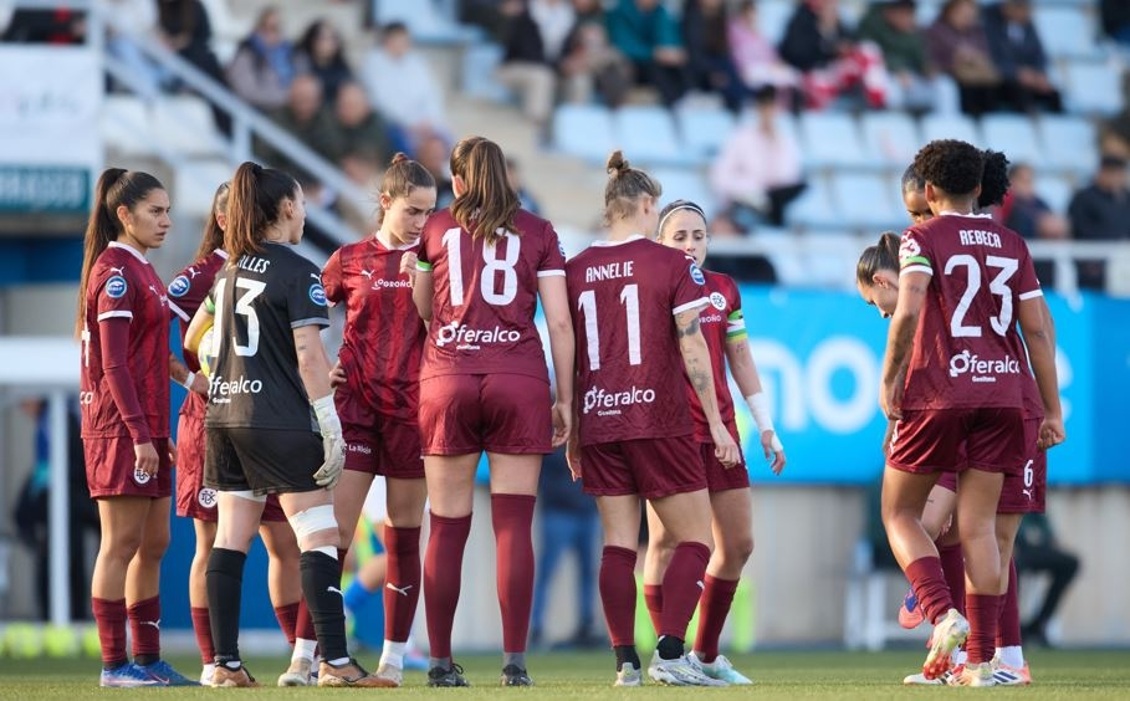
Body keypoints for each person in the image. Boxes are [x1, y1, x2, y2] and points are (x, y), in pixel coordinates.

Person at [183, 162, 379, 688]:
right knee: (320, 536)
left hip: (225, 418)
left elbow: (195, 337)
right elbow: (310, 357)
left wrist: (226, 372)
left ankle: (223, 664)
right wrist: (329, 423)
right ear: (288, 207)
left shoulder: (227, 272)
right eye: (303, 204)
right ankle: (335, 662)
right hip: (279, 421)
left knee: (231, 539)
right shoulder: (298, 270)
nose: (306, 214)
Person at [878, 139, 1063, 686]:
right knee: (980, 528)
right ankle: (981, 662)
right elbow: (1037, 331)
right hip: (1005, 394)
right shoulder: (1013, 243)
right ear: (979, 187)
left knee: (900, 513)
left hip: (941, 390)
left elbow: (908, 307)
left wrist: (890, 378)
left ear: (928, 190)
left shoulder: (921, 237)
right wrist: (1051, 408)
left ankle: (942, 613)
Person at [564, 151, 740, 687]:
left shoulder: (576, 269)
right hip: (658, 418)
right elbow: (692, 345)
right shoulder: (671, 265)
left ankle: (626, 664)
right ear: (645, 205)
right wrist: (715, 421)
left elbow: (568, 349)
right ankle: (670, 651)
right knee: (697, 540)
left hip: (599, 418)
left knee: (619, 544)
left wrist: (572, 426)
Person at [411, 136, 575, 687]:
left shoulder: (436, 226)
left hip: (447, 376)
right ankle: (514, 663)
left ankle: (439, 663)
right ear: (505, 176)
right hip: (518, 377)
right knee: (513, 525)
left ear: (456, 181)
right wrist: (565, 398)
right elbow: (559, 323)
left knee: (446, 527)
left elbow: (422, 305)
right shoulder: (539, 231)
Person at [165, 182, 304, 687]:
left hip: (270, 418)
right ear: (224, 220)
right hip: (213, 423)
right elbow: (152, 335)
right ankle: (215, 661)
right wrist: (192, 380)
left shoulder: (276, 267)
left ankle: (301, 658)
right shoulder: (203, 274)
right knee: (213, 541)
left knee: (285, 542)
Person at [646, 199, 786, 685]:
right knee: (667, 541)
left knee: (739, 544)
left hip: (722, 429)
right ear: (660, 242)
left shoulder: (724, 289)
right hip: (670, 430)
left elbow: (740, 358)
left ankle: (704, 654)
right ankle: (669, 653)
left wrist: (765, 424)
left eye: (698, 236)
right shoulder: (652, 288)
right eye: (679, 236)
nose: (690, 245)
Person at [316, 153, 438, 687]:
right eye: (413, 211)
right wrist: (320, 368)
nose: (421, 222)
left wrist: (425, 282)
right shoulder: (348, 259)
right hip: (357, 411)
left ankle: (392, 661)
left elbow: (448, 326)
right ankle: (319, 656)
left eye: (428, 213)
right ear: (386, 202)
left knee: (403, 538)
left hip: (414, 413)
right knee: (336, 534)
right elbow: (302, 320)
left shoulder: (436, 260)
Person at [76, 168, 195, 687]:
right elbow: (114, 364)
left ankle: (147, 660)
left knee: (155, 543)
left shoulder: (142, 268)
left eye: (168, 211)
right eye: (155, 211)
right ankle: (113, 665)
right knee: (120, 544)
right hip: (117, 431)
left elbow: (149, 357)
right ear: (124, 214)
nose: (166, 221)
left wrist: (161, 425)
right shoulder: (115, 273)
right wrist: (139, 433)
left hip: (145, 427)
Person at [529, 446, 601, 650]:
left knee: (589, 572)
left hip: (587, 511)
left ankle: (586, 625)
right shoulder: (552, 436)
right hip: (558, 511)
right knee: (546, 572)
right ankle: (535, 628)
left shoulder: (587, 434)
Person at [710, 85, 806, 230]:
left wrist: (774, 145)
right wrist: (753, 188)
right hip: (747, 201)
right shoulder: (740, 138)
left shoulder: (786, 141)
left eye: (773, 107)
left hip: (777, 201)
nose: (769, 113)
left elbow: (791, 176)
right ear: (758, 108)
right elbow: (720, 177)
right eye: (765, 107)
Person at [778, 0, 889, 110]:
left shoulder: (838, 21)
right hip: (810, 76)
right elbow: (796, 54)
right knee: (818, 86)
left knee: (869, 50)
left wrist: (842, 46)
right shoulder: (801, 20)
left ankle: (877, 102)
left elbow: (851, 42)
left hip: (836, 73)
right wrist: (826, 43)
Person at [857, 0, 960, 114]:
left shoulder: (914, 33)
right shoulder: (872, 27)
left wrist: (928, 70)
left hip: (911, 79)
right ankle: (891, 121)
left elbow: (922, 60)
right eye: (902, 13)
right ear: (889, 13)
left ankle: (946, 123)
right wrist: (897, 70)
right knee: (893, 87)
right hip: (885, 77)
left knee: (945, 85)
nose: (907, 17)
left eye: (909, 13)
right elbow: (868, 53)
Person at [361, 22, 448, 150]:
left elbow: (432, 94)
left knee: (448, 141)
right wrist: (411, 124)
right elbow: (381, 101)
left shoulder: (417, 63)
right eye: (398, 39)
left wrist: (431, 120)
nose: (402, 44)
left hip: (425, 123)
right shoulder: (374, 64)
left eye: (405, 40)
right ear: (387, 40)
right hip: (393, 125)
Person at [981, 0, 1062, 114]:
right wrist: (1017, 73)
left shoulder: (1028, 26)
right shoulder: (990, 25)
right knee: (1020, 94)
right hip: (1004, 80)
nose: (1026, 13)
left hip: (1029, 77)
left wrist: (1039, 74)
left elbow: (1039, 53)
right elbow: (992, 58)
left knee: (1054, 95)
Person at [606, 0, 689, 107]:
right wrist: (654, 53)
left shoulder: (661, 11)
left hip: (654, 63)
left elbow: (667, 37)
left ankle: (681, 101)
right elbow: (622, 43)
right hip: (631, 62)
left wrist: (671, 51)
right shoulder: (620, 11)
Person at [925, 0, 1002, 116]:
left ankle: (988, 119)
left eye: (970, 14)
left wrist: (973, 57)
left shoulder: (976, 31)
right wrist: (955, 60)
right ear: (950, 11)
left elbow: (986, 53)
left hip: (977, 76)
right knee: (949, 86)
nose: (967, 17)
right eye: (962, 12)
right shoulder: (936, 31)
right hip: (949, 75)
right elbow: (931, 59)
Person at [1014, 513, 1080, 647]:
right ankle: (1012, 625)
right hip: (1016, 550)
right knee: (1013, 567)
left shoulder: (1034, 506)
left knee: (1070, 563)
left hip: (1038, 550)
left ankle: (1039, 624)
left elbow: (1048, 533)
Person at [1067, 154, 1130, 290]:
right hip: (1093, 265)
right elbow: (1079, 230)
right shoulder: (1083, 198)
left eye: (1119, 174)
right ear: (1101, 173)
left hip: (1124, 261)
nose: (1116, 178)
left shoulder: (1126, 199)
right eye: (1112, 173)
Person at [495, 0, 557, 130]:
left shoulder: (568, 16)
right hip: (513, 67)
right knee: (541, 76)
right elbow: (525, 52)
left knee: (578, 79)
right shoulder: (524, 11)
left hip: (551, 68)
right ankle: (534, 127)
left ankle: (576, 130)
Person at [226, 6, 295, 112]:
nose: (269, 34)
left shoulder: (288, 57)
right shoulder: (246, 54)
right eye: (265, 28)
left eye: (274, 29)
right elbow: (249, 92)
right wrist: (287, 97)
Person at [682, 0, 745, 113]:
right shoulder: (692, 19)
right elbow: (694, 54)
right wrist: (710, 72)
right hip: (700, 69)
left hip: (717, 63)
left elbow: (724, 50)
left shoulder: (721, 18)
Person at [334, 81, 391, 186]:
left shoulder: (376, 128)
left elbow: (377, 159)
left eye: (353, 106)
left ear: (366, 107)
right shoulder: (330, 124)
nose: (348, 110)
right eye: (344, 105)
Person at [293, 18, 354, 105]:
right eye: (323, 38)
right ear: (312, 40)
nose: (329, 43)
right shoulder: (301, 64)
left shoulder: (343, 70)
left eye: (333, 38)